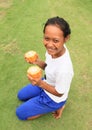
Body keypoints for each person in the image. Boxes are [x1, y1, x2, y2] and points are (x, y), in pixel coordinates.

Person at [16, 16, 74, 120]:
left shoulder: (65, 69)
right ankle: (40, 102)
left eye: (55, 40)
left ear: (66, 38)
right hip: (46, 82)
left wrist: (40, 84)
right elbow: (48, 66)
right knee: (21, 95)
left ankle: (58, 106)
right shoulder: (54, 50)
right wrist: (36, 61)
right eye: (47, 38)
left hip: (53, 98)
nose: (50, 45)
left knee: (20, 114)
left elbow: (59, 93)